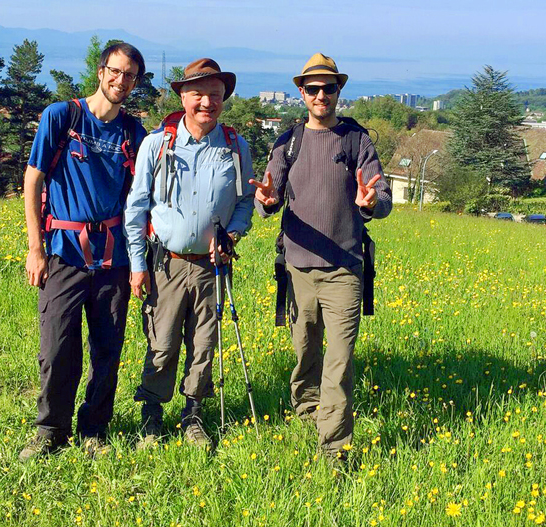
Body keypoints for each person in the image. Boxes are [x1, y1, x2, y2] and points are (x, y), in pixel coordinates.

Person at [250, 53, 392, 460]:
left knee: (339, 360)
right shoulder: (287, 141)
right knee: (305, 352)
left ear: (338, 91)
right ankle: (307, 409)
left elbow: (382, 199)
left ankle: (334, 447)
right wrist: (267, 201)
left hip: (345, 269)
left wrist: (369, 203)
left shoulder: (356, 140)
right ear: (301, 92)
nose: (320, 95)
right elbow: (267, 197)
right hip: (296, 268)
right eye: (312, 88)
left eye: (328, 88)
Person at [21, 42, 148, 461]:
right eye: (116, 71)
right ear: (100, 71)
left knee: (107, 349)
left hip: (114, 258)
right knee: (57, 347)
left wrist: (139, 260)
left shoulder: (133, 133)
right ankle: (50, 431)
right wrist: (34, 248)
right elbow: (33, 180)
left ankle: (94, 428)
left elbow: (141, 199)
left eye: (130, 76)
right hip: (63, 254)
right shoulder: (62, 117)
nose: (121, 81)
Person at [124, 58, 255, 449]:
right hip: (165, 263)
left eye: (215, 95)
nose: (207, 102)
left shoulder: (235, 146)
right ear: (182, 96)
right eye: (198, 93)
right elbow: (136, 207)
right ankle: (151, 413)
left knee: (204, 345)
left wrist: (232, 235)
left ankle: (193, 414)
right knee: (162, 343)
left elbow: (245, 202)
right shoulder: (157, 143)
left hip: (213, 267)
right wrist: (136, 264)